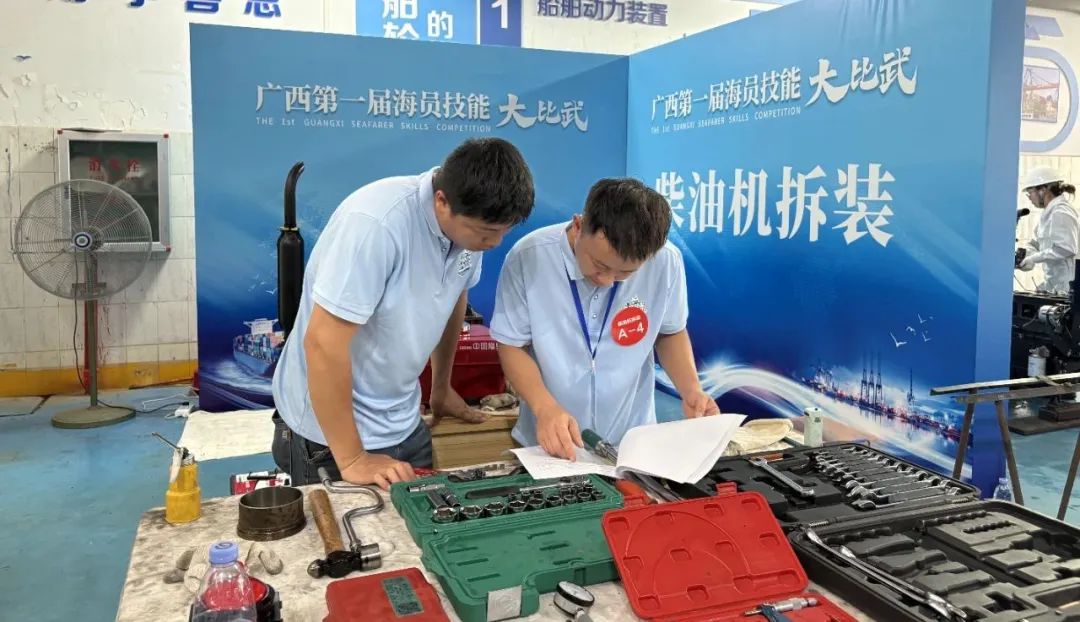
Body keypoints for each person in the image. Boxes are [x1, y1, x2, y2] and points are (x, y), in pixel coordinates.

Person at [271, 138, 535, 488]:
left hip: (404, 422)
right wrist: (353, 459)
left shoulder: (469, 228)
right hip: (330, 439)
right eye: (487, 232)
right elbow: (322, 343)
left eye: (505, 231)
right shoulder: (375, 224)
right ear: (442, 202)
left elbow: (453, 297)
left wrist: (441, 386)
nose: (495, 243)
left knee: (423, 517)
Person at [490, 177, 719, 460]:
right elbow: (512, 345)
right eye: (599, 265)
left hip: (632, 441)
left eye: (625, 273)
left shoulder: (666, 261)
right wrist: (544, 407)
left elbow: (669, 331)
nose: (608, 280)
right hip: (551, 443)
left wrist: (691, 390)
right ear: (579, 225)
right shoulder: (530, 257)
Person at [1019, 166, 1079, 295]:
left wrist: (1034, 258)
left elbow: (1066, 249)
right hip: (1056, 286)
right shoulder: (1048, 214)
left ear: (1043, 190)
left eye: (1030, 192)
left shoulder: (1061, 212)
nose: (1029, 197)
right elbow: (1036, 244)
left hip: (1069, 288)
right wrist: (1026, 255)